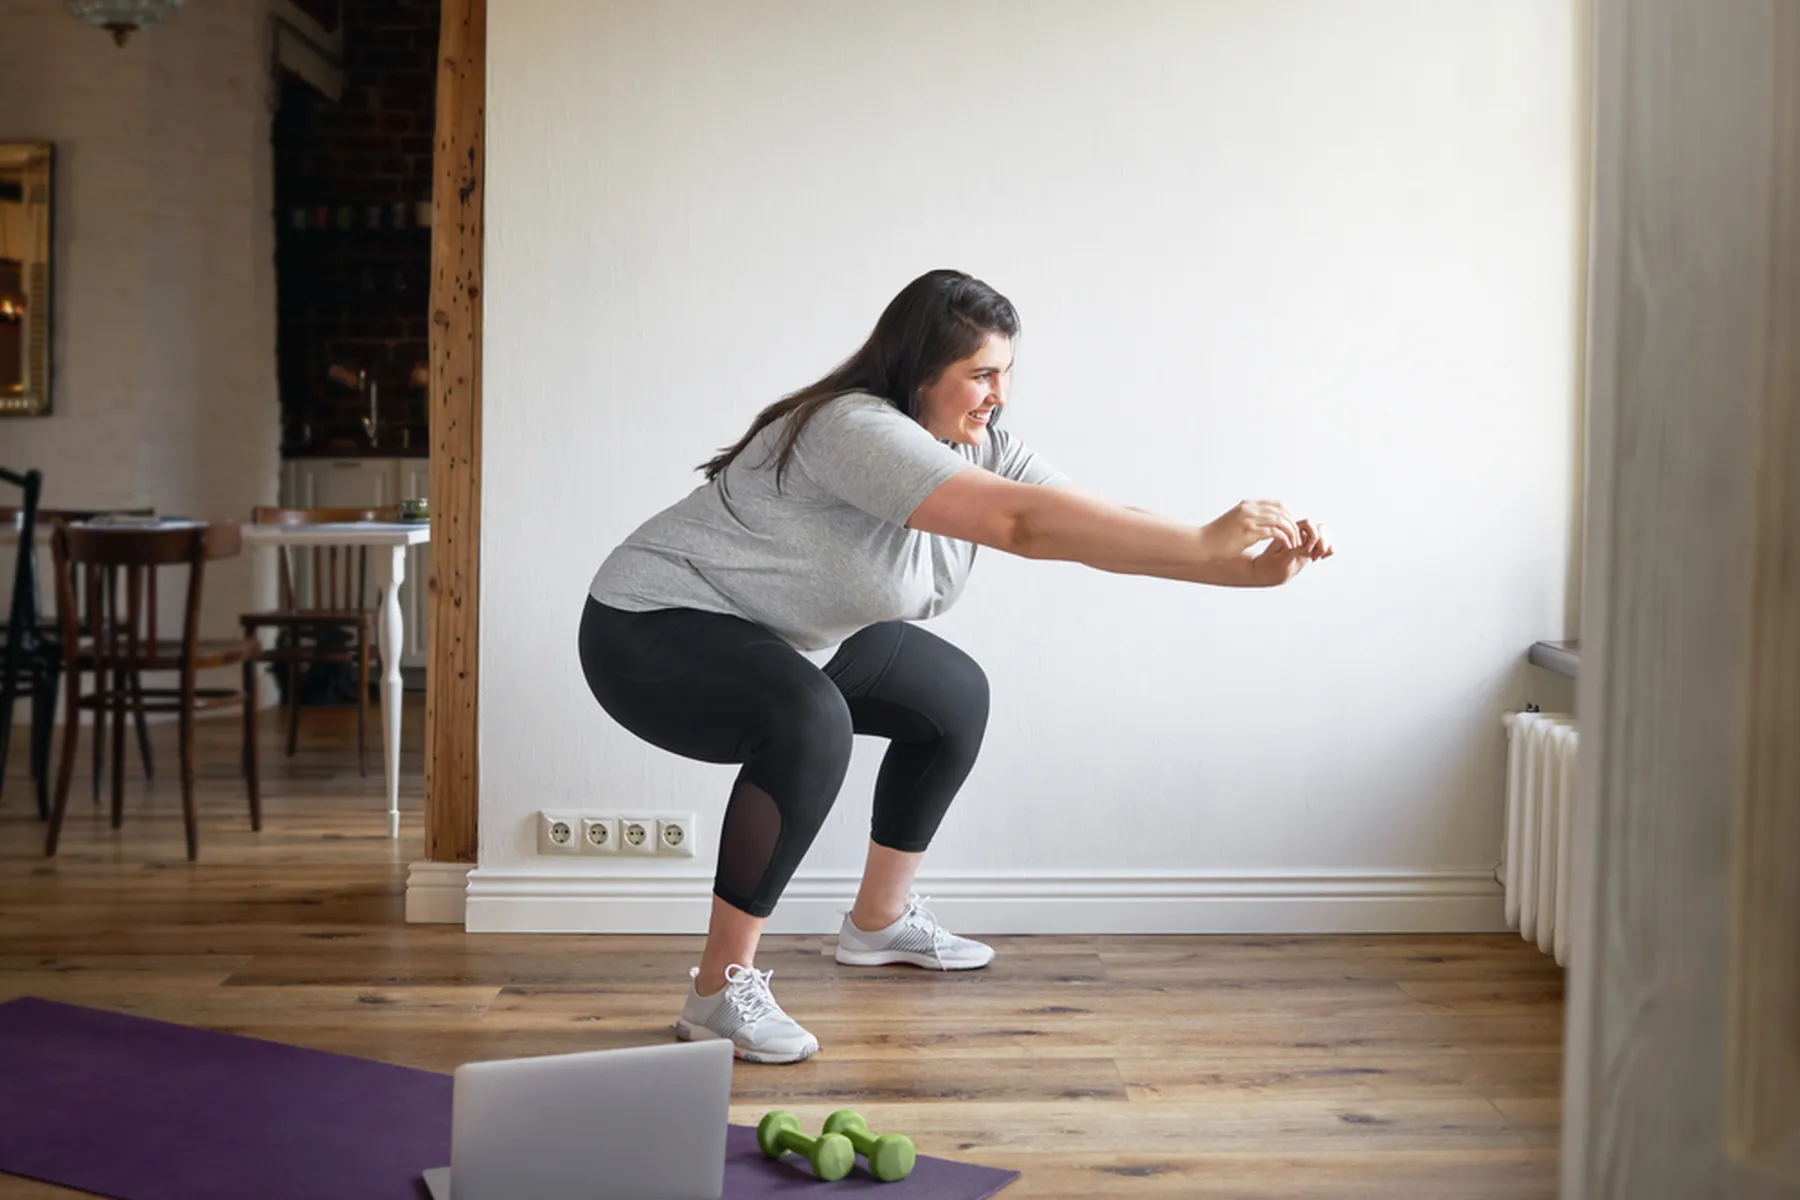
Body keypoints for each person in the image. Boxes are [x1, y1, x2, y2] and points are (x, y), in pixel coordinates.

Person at [580, 268, 1334, 1064]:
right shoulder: (855, 429)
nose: (999, 394)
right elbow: (1021, 525)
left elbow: (1092, 524)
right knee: (808, 719)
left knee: (952, 697)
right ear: (918, 371)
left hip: (784, 633)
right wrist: (1204, 546)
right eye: (981, 374)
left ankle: (877, 923)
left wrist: (1232, 567)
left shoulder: (983, 445)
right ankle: (716, 994)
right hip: (652, 627)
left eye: (1005, 372)